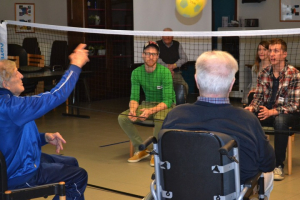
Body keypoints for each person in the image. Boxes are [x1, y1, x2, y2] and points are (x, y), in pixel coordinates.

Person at [162, 50, 275, 199]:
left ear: (196, 80)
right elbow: (268, 163)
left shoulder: (175, 114)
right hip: (231, 193)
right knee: (269, 174)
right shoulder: (247, 119)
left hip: (178, 191)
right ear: (232, 84)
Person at [0, 44, 89, 200]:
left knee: (72, 162)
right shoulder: (12, 107)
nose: (21, 75)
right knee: (78, 176)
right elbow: (57, 95)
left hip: (13, 163)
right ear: (5, 84)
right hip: (20, 175)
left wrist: (44, 138)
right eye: (16, 73)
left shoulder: (9, 104)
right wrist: (75, 65)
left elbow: (11, 138)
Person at [245, 38, 300, 181]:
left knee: (280, 121)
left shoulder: (294, 73)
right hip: (268, 111)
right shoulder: (264, 72)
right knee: (247, 116)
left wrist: (273, 112)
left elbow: (295, 105)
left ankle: (278, 165)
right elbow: (258, 97)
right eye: (270, 51)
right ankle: (255, 159)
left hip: (289, 114)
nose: (272, 54)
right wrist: (252, 107)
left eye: (276, 51)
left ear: (284, 54)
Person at [118, 41, 175, 167]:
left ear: (158, 56)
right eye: (148, 54)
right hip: (148, 103)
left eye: (154, 54)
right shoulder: (136, 73)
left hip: (166, 106)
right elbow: (134, 97)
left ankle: (156, 152)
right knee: (123, 118)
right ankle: (141, 149)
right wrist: (133, 110)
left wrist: (150, 111)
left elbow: (167, 101)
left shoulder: (165, 72)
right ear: (143, 55)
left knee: (159, 117)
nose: (151, 57)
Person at [156, 28, 189, 97]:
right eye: (165, 35)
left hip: (176, 73)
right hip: (161, 72)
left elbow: (185, 58)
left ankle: (180, 104)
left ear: (173, 36)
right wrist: (167, 67)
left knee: (185, 86)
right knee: (158, 88)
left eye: (169, 35)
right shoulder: (157, 44)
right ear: (162, 36)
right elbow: (156, 58)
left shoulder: (177, 44)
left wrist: (174, 65)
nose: (167, 37)